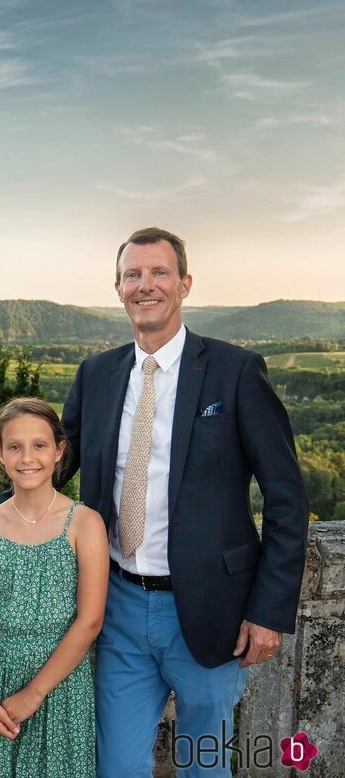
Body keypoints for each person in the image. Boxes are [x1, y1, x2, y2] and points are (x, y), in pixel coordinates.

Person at [61, 227, 309, 775]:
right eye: (133, 274)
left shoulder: (236, 371)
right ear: (118, 287)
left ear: (185, 283)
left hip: (209, 611)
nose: (145, 285)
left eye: (159, 273)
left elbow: (287, 499)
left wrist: (267, 611)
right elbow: (49, 466)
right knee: (116, 767)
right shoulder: (96, 375)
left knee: (207, 766)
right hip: (117, 605)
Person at [0, 397, 107, 778]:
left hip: (59, 686)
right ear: (0, 453)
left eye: (39, 445)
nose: (28, 457)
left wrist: (33, 694)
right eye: (15, 447)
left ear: (59, 451)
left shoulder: (84, 523)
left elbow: (89, 621)